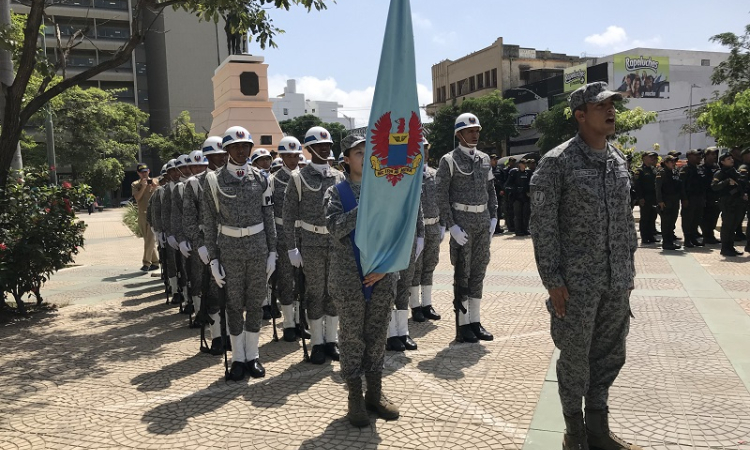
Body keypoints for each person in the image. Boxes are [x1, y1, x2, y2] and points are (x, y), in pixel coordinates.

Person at [529, 82, 641, 450]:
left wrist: (628, 272)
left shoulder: (618, 159)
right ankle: (573, 435)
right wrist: (553, 280)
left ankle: (598, 431)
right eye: (601, 105)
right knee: (575, 360)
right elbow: (543, 227)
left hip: (615, 280)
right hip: (575, 285)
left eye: (612, 105)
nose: (611, 111)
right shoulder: (557, 162)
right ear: (580, 115)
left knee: (610, 356)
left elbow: (625, 221)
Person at [324, 136, 399, 427]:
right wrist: (363, 207)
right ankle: (355, 398)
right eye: (359, 153)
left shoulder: (387, 190)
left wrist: (386, 266)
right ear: (346, 159)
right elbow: (334, 228)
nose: (366, 158)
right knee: (353, 337)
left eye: (371, 154)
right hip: (348, 278)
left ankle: (375, 395)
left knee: (377, 334)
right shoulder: (336, 191)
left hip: (381, 274)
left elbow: (396, 234)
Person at [201, 126, 277, 380]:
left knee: (255, 303)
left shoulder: (262, 178)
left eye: (246, 146)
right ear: (227, 150)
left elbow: (269, 217)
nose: (242, 150)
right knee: (233, 306)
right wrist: (213, 259)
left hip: (257, 249)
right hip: (230, 250)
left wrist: (273, 252)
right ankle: (237, 358)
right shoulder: (213, 181)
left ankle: (253, 356)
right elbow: (209, 222)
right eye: (236, 146)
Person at [283, 126, 346, 364]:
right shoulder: (298, 178)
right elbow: (288, 215)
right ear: (308, 149)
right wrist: (291, 247)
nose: (325, 149)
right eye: (319, 146)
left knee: (334, 292)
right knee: (315, 293)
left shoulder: (339, 176)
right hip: (310, 244)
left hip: (335, 243)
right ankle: (317, 342)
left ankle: (332, 340)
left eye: (328, 145)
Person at [435, 112, 498, 343]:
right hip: (462, 225)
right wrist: (451, 226)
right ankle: (462, 325)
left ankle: (475, 321)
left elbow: (491, 190)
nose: (475, 134)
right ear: (459, 134)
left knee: (478, 273)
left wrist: (493, 217)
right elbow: (440, 195)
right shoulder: (449, 160)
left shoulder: (483, 159)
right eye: (470, 131)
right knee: (462, 274)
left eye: (477, 130)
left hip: (482, 222)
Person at [183, 137, 229, 354]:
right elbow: (189, 219)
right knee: (211, 291)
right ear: (207, 156)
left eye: (224, 153)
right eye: (217, 154)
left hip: (231, 241)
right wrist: (199, 244)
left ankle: (230, 333)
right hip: (207, 241)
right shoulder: (194, 183)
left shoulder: (231, 177)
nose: (222, 157)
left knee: (231, 291)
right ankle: (217, 336)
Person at [269, 136, 307, 342]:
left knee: (305, 280)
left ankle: (302, 320)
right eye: (288, 156)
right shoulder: (273, 181)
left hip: (304, 234)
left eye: (296, 156)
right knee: (286, 280)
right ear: (282, 157)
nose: (293, 160)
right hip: (284, 235)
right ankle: (289, 324)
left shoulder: (305, 177)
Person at [409, 138, 443, 323]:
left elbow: (443, 200)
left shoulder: (435, 175)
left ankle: (427, 304)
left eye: (425, 149)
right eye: (419, 149)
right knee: (416, 267)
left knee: (430, 265)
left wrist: (443, 224)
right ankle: (415, 306)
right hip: (415, 231)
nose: (423, 152)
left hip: (434, 226)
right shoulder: (408, 176)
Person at [712, 153, 746, 257]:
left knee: (734, 225)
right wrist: (726, 182)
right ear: (722, 162)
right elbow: (714, 186)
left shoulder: (734, 171)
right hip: (726, 202)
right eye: (728, 159)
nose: (731, 160)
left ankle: (730, 247)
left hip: (736, 201)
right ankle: (725, 248)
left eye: (731, 158)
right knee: (727, 225)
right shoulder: (720, 173)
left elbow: (740, 183)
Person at [160, 159, 183, 305]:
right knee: (173, 262)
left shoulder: (185, 186)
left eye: (177, 169)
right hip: (171, 232)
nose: (175, 173)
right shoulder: (165, 190)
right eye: (172, 170)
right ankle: (175, 290)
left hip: (185, 230)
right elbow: (163, 212)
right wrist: (165, 232)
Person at [132, 163, 160, 272]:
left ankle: (146, 263)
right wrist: (143, 187)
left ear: (149, 171)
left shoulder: (156, 182)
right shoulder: (135, 184)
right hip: (142, 214)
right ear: (138, 173)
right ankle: (156, 262)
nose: (144, 174)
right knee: (147, 240)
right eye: (142, 172)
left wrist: (155, 186)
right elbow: (137, 198)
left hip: (154, 214)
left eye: (146, 171)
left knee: (150, 239)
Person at [680, 149, 708, 248]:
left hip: (699, 198)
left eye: (700, 156)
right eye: (697, 156)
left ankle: (693, 238)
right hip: (690, 198)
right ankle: (687, 240)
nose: (699, 157)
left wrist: (703, 198)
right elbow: (682, 186)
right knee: (688, 219)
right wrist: (684, 199)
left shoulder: (699, 169)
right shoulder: (685, 169)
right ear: (689, 157)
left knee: (696, 218)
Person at [656, 155, 683, 250]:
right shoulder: (662, 173)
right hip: (666, 200)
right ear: (666, 163)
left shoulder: (674, 172)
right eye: (671, 162)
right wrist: (660, 201)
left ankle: (670, 241)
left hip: (675, 200)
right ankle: (666, 242)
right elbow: (658, 188)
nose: (673, 163)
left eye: (674, 162)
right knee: (666, 222)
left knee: (672, 221)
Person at [633, 151, 659, 244]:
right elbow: (637, 186)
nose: (652, 159)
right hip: (645, 197)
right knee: (645, 218)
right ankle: (644, 237)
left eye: (653, 157)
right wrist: (640, 198)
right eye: (650, 157)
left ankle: (651, 236)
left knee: (653, 217)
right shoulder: (639, 171)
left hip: (653, 197)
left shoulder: (653, 169)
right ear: (644, 158)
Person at [505, 159, 531, 236]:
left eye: (525, 163)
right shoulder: (514, 173)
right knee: (518, 215)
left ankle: (525, 229)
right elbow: (507, 185)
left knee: (526, 214)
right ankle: (518, 230)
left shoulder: (528, 173)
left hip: (525, 197)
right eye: (523, 163)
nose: (524, 165)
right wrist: (516, 189)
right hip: (517, 197)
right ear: (519, 164)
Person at [503, 157, 517, 233]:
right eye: (512, 162)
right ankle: (510, 226)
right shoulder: (506, 170)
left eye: (514, 162)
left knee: (513, 210)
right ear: (509, 162)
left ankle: (514, 225)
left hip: (513, 192)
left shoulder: (515, 171)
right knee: (508, 210)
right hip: (507, 192)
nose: (513, 163)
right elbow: (504, 182)